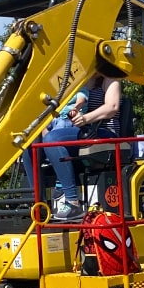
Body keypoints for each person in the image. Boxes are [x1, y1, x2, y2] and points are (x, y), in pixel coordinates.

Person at [26, 76, 120, 221]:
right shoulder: (77, 75)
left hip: (103, 133)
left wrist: (85, 118)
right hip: (80, 131)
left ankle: (72, 201)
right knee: (30, 143)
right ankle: (38, 203)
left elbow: (112, 107)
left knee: (53, 140)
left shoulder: (109, 77)